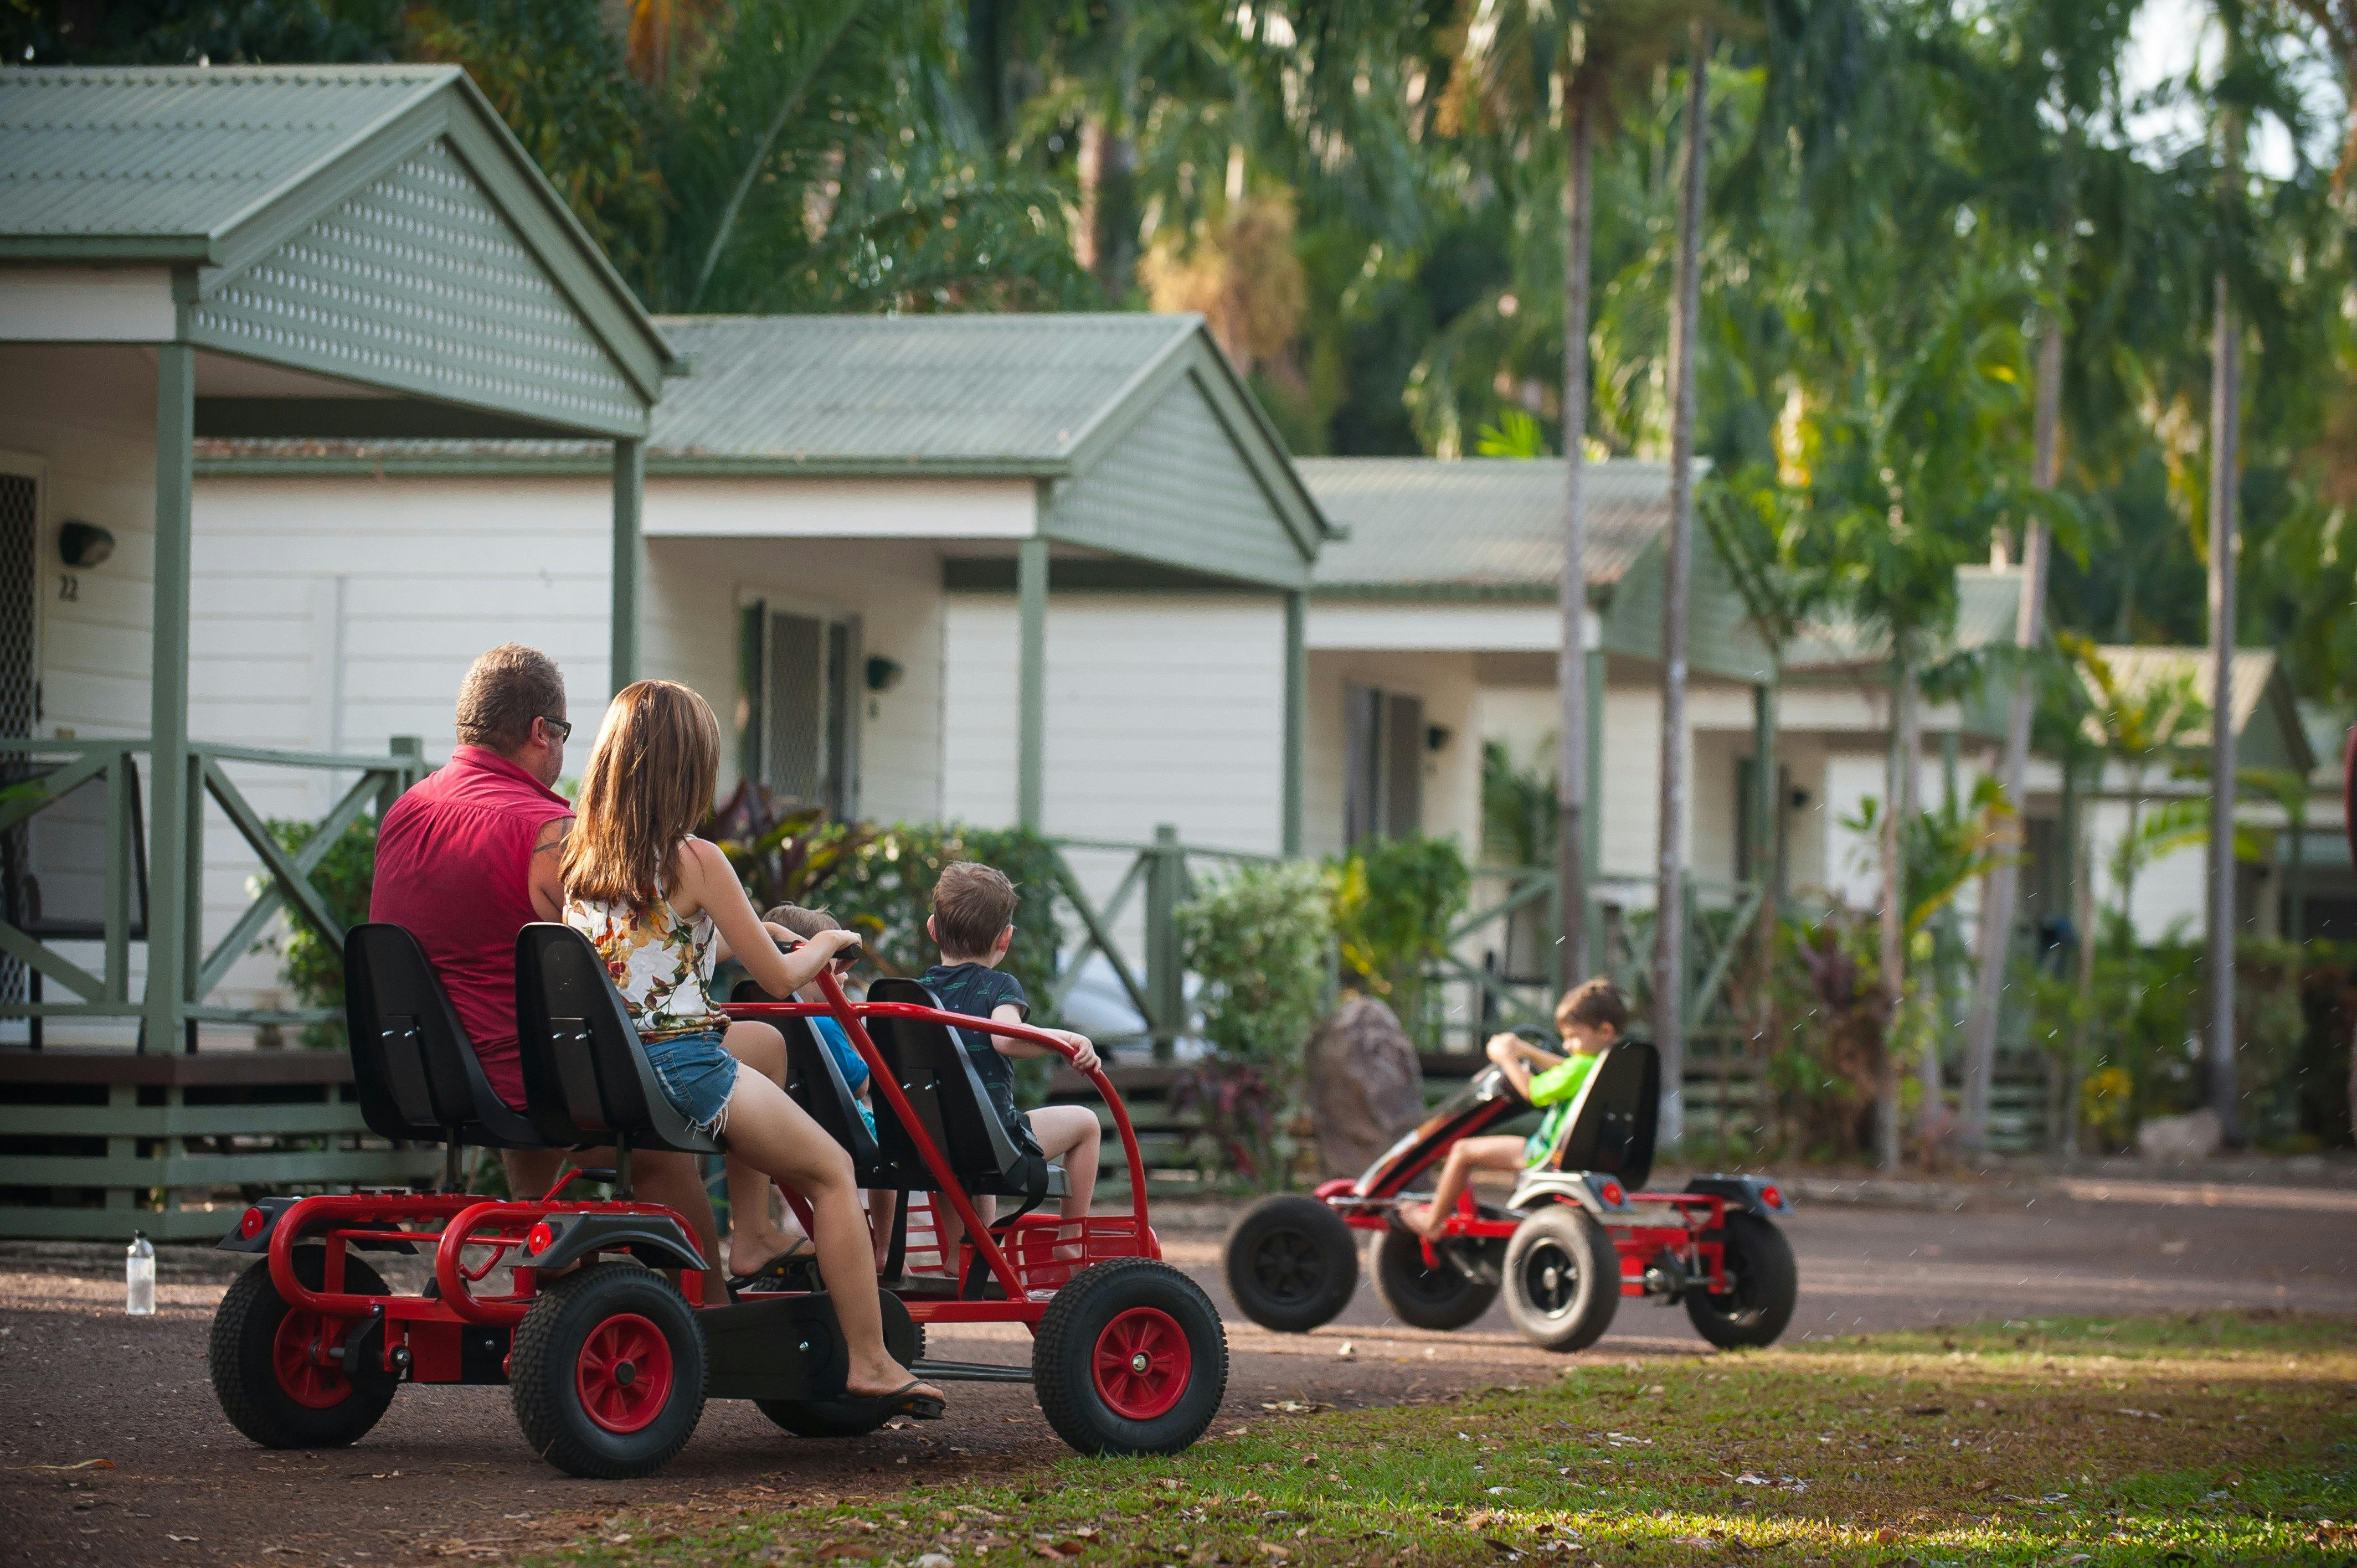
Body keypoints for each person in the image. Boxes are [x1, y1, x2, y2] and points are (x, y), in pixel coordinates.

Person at [562, 678, 940, 1417]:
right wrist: (827, 942)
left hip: (610, 1064)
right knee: (832, 1172)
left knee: (764, 1045)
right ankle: (870, 1361)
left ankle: (756, 1233)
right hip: (682, 1066)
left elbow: (654, 946)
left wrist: (747, 929)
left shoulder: (580, 862)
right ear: (685, 773)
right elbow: (778, 976)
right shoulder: (696, 858)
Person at [369, 644, 724, 1297]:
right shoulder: (550, 832)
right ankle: (715, 1309)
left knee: (526, 1023)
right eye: (562, 735)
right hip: (531, 1083)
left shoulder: (404, 813)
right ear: (541, 732)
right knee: (667, 1131)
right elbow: (641, 952)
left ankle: (556, 1277)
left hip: (424, 1077)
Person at [920, 862, 1102, 1268]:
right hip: (989, 1142)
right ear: (1006, 939)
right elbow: (1005, 1037)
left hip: (929, 1141)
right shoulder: (997, 986)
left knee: (955, 1138)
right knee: (1086, 1125)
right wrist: (1066, 1041)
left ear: (933, 929)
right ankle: (1070, 1238)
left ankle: (960, 1259)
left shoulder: (916, 995)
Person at [1397, 978, 1628, 1239]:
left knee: (1462, 1150)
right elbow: (1567, 1069)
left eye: (1574, 1037)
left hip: (1544, 1154)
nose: (1567, 1046)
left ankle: (1432, 1224)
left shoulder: (1580, 1067)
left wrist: (1506, 1058)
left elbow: (1532, 1092)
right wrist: (1526, 1051)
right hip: (1589, 1156)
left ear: (1605, 1032)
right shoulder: (1608, 1066)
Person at [762, 902, 897, 1269]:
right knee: (896, 1139)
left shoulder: (763, 1019)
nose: (841, 981)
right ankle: (884, 1249)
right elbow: (859, 1084)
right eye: (833, 971)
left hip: (782, 1133)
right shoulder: (821, 1025)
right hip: (842, 1133)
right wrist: (849, 1028)